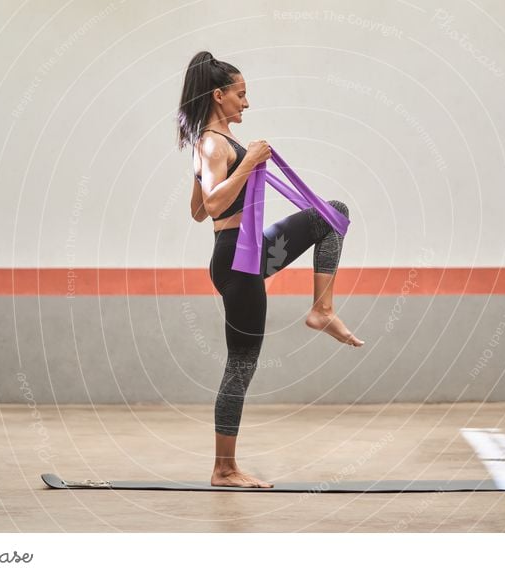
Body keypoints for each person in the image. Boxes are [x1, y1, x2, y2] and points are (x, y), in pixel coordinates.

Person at [177, 51, 364, 488]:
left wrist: (231, 168)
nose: (247, 103)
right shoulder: (211, 143)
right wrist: (247, 163)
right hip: (236, 260)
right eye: (241, 95)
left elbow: (195, 209)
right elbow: (212, 205)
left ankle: (322, 310)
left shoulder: (212, 145)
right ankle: (224, 469)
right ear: (219, 95)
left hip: (250, 252)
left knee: (331, 215)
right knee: (240, 364)